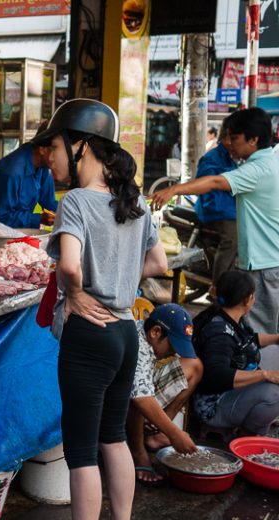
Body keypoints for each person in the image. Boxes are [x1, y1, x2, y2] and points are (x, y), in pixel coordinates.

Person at [28, 99, 168, 520]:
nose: (51, 158)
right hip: (127, 333)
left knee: (82, 449)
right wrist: (120, 283)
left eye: (56, 148)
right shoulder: (134, 201)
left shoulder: (76, 202)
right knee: (113, 439)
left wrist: (77, 292)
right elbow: (159, 266)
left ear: (81, 145)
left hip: (90, 336)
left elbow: (67, 263)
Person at [151, 107, 279, 334]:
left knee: (260, 331)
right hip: (267, 259)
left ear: (253, 140)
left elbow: (215, 182)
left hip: (264, 264)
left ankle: (259, 370)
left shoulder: (258, 169)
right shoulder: (271, 160)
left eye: (235, 137)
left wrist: (174, 190)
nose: (230, 142)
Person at [192, 270, 279, 437]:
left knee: (275, 354)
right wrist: (266, 375)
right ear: (247, 299)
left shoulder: (229, 316)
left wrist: (276, 339)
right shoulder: (220, 333)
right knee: (274, 394)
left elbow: (246, 341)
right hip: (213, 405)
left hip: (228, 392)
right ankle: (247, 435)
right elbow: (218, 374)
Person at [127, 304, 202, 486]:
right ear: (155, 332)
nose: (175, 352)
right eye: (173, 345)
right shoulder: (137, 346)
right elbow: (141, 396)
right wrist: (175, 433)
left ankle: (157, 432)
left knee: (194, 366)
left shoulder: (148, 338)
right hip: (114, 399)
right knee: (141, 397)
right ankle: (138, 452)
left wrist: (167, 428)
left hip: (140, 385)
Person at [0, 124, 57, 232]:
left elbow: (50, 203)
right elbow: (3, 218)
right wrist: (39, 218)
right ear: (43, 149)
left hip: (14, 231)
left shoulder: (43, 167)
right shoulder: (12, 172)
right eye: (57, 148)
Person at [193, 116, 238, 284]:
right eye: (232, 138)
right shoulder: (213, 157)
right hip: (215, 210)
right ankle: (218, 287)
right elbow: (205, 186)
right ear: (225, 137)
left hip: (230, 209)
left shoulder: (234, 157)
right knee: (233, 239)